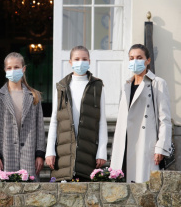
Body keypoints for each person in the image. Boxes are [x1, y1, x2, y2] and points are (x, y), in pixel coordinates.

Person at [110, 44, 172, 183]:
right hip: (125, 143)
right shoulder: (126, 85)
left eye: (139, 57)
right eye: (131, 58)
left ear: (148, 60)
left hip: (146, 143)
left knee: (145, 189)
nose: (135, 61)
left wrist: (161, 147)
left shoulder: (157, 83)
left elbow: (165, 119)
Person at [45, 45, 108, 181]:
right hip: (64, 150)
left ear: (89, 61)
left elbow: (101, 121)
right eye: (77, 59)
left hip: (88, 149)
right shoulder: (61, 87)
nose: (80, 62)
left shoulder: (97, 86)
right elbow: (54, 120)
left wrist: (102, 151)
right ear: (70, 62)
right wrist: (50, 151)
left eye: (84, 59)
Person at [0, 52, 45, 181]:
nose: (13, 71)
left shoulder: (33, 96)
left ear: (23, 69)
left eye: (16, 67)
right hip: (6, 153)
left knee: (30, 192)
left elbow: (40, 127)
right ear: (5, 70)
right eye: (9, 68)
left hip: (29, 154)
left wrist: (39, 154)